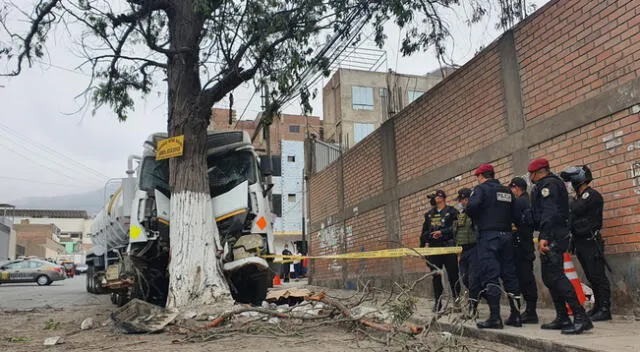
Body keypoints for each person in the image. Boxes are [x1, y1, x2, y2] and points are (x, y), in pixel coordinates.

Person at [528, 158, 593, 334]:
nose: (530, 178)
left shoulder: (548, 186)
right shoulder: (550, 184)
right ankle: (562, 316)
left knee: (556, 276)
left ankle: (580, 316)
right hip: (551, 233)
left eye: (531, 174)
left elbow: (550, 213)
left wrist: (545, 237)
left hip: (553, 235)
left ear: (537, 172)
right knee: (549, 277)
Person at [466, 164, 521, 329]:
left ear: (481, 176)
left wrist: (479, 218)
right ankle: (516, 316)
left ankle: (495, 318)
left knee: (491, 276)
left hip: (489, 237)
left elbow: (471, 207)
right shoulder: (506, 191)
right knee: (510, 275)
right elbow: (517, 215)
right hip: (507, 236)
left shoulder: (481, 189)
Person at [561, 165, 611, 321]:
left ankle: (604, 309)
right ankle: (597, 308)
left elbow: (575, 209)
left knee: (598, 276)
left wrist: (567, 201)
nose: (568, 184)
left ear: (578, 179)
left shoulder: (590, 195)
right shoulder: (579, 197)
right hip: (582, 242)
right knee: (591, 276)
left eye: (570, 181)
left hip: (591, 241)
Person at [420, 190, 460, 312]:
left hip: (448, 247)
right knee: (436, 277)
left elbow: (456, 228)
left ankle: (457, 302)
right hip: (434, 249)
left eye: (435, 196)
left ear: (442, 198)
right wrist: (422, 249)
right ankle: (438, 303)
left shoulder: (452, 211)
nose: (433, 199)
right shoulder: (429, 215)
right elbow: (424, 232)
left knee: (453, 275)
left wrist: (442, 232)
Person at [509, 177, 539, 324]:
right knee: (526, 278)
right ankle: (529, 310)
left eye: (511, 189)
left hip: (522, 246)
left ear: (516, 188)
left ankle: (531, 312)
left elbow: (516, 220)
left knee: (526, 278)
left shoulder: (520, 202)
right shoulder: (526, 200)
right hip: (525, 245)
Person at [454, 188, 481, 318]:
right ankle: (480, 295)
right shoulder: (462, 213)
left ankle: (473, 308)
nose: (459, 203)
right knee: (465, 278)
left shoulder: (476, 211)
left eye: (460, 200)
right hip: (464, 250)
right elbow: (456, 229)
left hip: (476, 248)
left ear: (465, 199)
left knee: (473, 279)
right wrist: (443, 233)